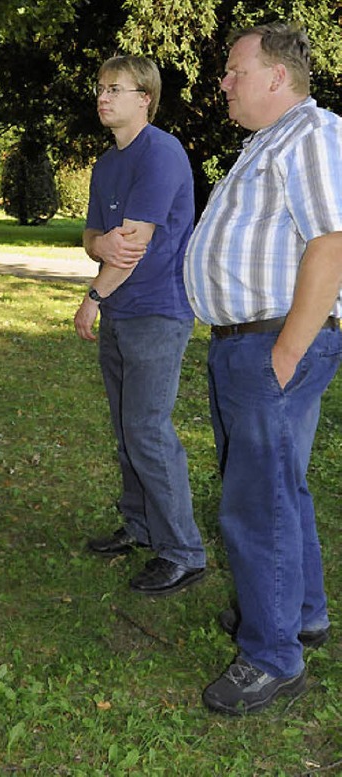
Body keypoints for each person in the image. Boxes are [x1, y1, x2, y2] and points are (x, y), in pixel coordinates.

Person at [185, 23, 342, 714]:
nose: (223, 81)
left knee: (256, 501)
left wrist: (285, 352)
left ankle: (272, 655)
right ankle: (296, 613)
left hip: (275, 341)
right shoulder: (269, 142)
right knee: (279, 487)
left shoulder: (311, 133)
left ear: (277, 77)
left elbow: (332, 242)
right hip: (248, 342)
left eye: (233, 69)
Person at [74, 55, 206, 596]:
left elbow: (130, 245)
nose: (103, 97)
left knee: (149, 429)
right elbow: (93, 237)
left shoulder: (161, 153)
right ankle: (140, 526)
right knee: (128, 428)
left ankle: (183, 552)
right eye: (101, 88)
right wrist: (95, 245)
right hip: (122, 313)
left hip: (157, 310)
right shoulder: (107, 164)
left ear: (144, 98)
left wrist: (91, 297)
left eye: (115, 89)